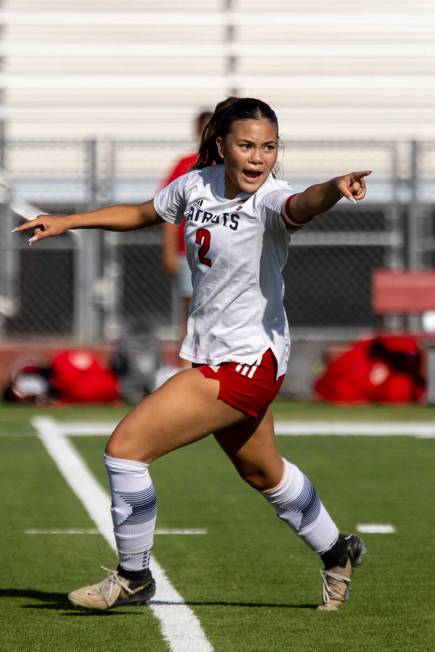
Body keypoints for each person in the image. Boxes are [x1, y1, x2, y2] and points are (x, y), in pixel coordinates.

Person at [15, 97, 370, 612]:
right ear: (220, 143)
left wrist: (334, 190)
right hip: (216, 355)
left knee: (126, 449)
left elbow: (303, 204)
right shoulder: (195, 184)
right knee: (263, 473)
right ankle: (340, 553)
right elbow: (140, 213)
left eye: (269, 147)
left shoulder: (271, 200)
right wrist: (69, 220)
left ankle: (134, 577)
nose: (257, 158)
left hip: (247, 363)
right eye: (246, 145)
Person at [161, 109, 212, 367]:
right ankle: (185, 369)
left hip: (220, 255)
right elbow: (169, 212)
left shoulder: (228, 168)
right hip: (189, 253)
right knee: (190, 314)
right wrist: (169, 251)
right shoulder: (185, 165)